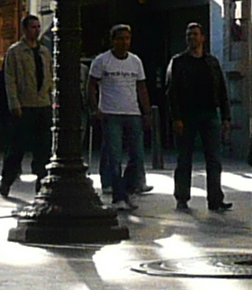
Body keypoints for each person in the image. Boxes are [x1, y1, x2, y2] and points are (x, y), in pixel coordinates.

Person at [162, 23, 232, 212]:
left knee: (214, 159)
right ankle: (182, 197)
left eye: (195, 34)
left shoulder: (212, 62)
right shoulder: (178, 62)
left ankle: (215, 198)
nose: (191, 37)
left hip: (209, 114)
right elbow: (172, 92)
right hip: (187, 115)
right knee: (184, 158)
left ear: (202, 37)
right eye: (188, 34)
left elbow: (222, 89)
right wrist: (176, 118)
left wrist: (226, 116)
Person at [88, 26, 151, 207]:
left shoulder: (135, 61)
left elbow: (141, 87)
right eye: (120, 38)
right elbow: (91, 85)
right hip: (111, 113)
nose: (124, 42)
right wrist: (95, 107)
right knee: (114, 157)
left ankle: (128, 189)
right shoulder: (102, 61)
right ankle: (118, 196)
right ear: (113, 40)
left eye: (127, 38)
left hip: (132, 112)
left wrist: (146, 112)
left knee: (137, 156)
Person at [0, 13, 54, 195]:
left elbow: (50, 75)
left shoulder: (44, 51)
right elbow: (10, 78)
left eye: (38, 27)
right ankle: (8, 179)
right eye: (32, 27)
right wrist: (14, 102)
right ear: (24, 29)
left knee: (43, 147)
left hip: (42, 105)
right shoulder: (15, 51)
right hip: (24, 105)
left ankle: (41, 179)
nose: (36, 30)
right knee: (17, 147)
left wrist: (51, 99)